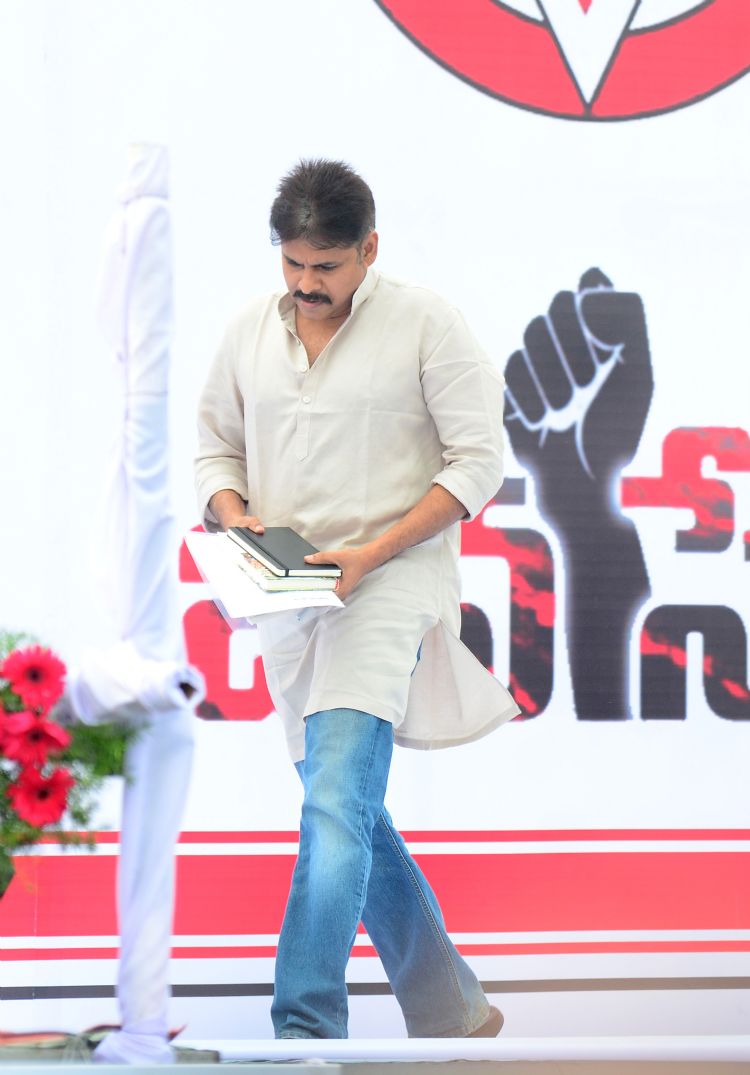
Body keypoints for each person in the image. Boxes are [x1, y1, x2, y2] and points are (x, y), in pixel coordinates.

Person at [194, 159, 519, 1040]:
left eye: (326, 266)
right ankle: (454, 1009)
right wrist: (235, 514)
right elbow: (214, 450)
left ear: (369, 249)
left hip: (390, 581)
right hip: (287, 596)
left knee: (335, 800)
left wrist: (372, 553)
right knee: (350, 813)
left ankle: (304, 1028)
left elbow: (478, 462)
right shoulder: (246, 332)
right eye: (293, 263)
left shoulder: (427, 323)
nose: (307, 284)